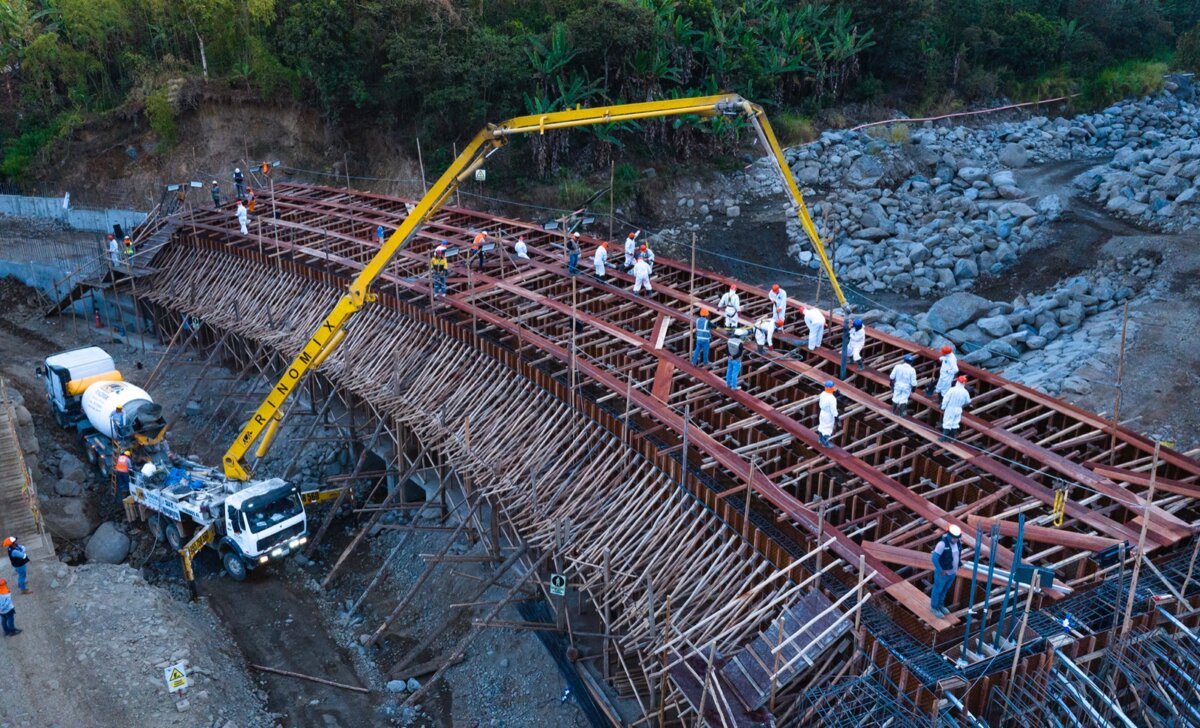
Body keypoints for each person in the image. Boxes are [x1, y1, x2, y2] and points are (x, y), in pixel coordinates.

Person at [930, 525, 962, 617]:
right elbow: (934, 558)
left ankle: (941, 606)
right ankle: (934, 607)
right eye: (954, 538)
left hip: (952, 573)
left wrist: (959, 564)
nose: (956, 540)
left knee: (945, 590)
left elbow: (957, 555)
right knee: (938, 590)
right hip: (943, 573)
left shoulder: (958, 543)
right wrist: (940, 570)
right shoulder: (942, 544)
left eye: (957, 538)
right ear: (949, 535)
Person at [940, 375, 971, 442]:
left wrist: (943, 407)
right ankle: (952, 439)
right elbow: (968, 401)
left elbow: (946, 399)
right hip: (958, 409)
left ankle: (944, 438)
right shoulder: (965, 392)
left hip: (950, 408)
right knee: (955, 423)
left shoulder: (952, 390)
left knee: (947, 422)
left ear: (958, 382)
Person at [817, 381, 838, 447]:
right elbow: (833, 409)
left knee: (822, 425)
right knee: (828, 428)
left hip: (822, 412)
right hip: (828, 415)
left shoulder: (823, 394)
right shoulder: (832, 399)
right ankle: (825, 443)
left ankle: (820, 439)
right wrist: (836, 416)